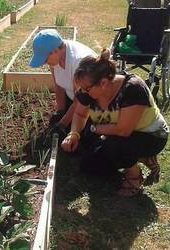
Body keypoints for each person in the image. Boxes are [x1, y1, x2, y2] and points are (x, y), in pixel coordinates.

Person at [61, 48, 169, 196]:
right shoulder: (88, 91)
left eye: (86, 88)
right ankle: (141, 158)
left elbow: (123, 130)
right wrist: (74, 134)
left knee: (116, 145)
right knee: (89, 165)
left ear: (103, 83)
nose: (82, 92)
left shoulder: (133, 89)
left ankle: (134, 175)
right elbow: (80, 114)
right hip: (114, 132)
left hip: (150, 136)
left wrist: (94, 129)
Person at [29, 29, 96, 133]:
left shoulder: (78, 62)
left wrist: (62, 124)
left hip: (91, 107)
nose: (44, 63)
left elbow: (79, 101)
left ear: (55, 51)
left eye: (45, 60)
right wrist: (61, 112)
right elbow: (58, 85)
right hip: (74, 100)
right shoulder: (56, 57)